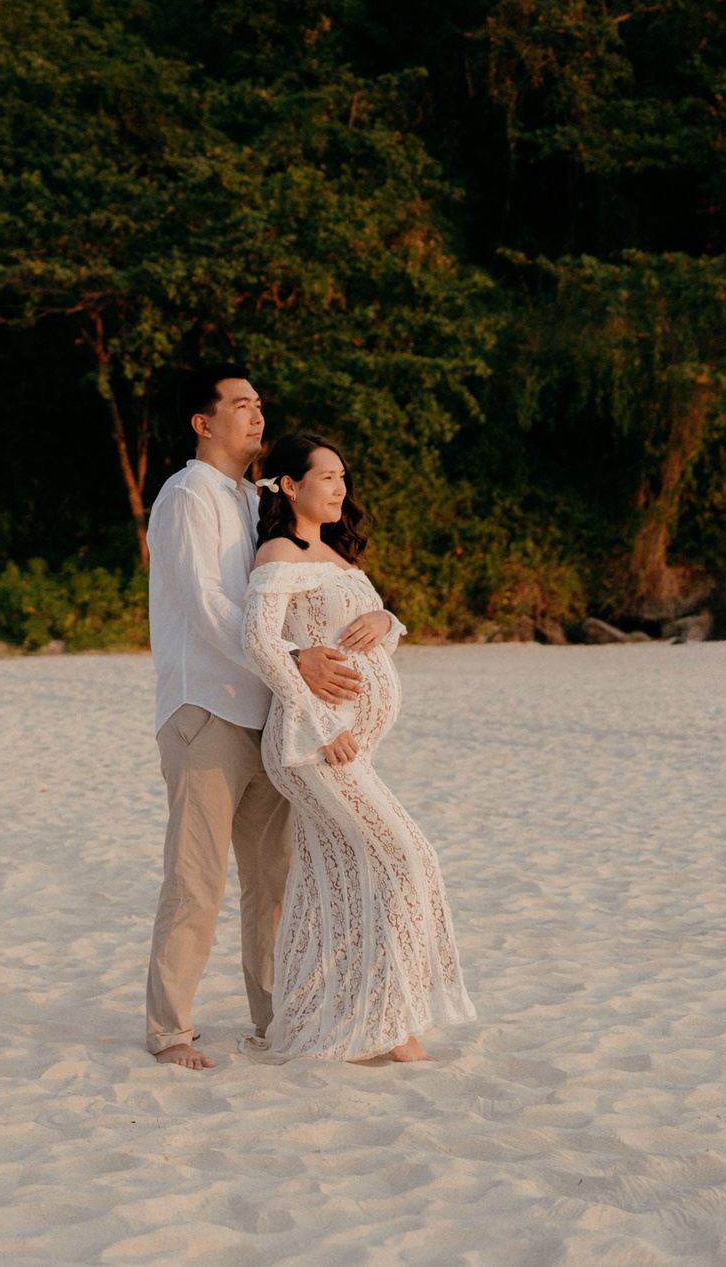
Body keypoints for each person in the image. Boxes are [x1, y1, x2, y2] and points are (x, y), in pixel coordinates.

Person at [144, 367, 364, 1070]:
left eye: (260, 403)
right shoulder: (186, 496)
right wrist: (294, 657)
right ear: (202, 423)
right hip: (204, 708)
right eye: (240, 405)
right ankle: (170, 1029)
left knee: (274, 880)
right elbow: (208, 606)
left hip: (268, 711)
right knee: (196, 875)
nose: (257, 414)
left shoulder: (257, 499)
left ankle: (275, 1021)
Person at [241, 430, 475, 1065]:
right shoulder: (278, 553)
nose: (341, 488)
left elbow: (366, 637)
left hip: (350, 747)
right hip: (313, 748)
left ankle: (324, 1020)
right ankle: (395, 1028)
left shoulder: (337, 555)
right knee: (406, 859)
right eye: (326, 477)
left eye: (344, 477)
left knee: (331, 881)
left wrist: (388, 622)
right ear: (289, 486)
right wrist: (322, 725)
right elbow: (261, 645)